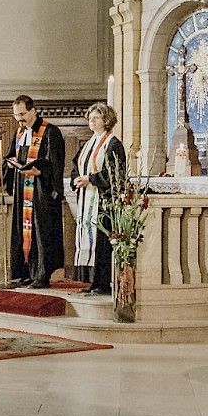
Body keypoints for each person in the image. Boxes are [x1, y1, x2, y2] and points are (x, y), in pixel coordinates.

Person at [2, 96, 65, 289]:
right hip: (23, 190)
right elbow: (11, 155)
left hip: (41, 192)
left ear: (33, 110)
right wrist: (11, 163)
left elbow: (55, 164)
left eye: (22, 114)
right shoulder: (20, 132)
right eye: (16, 115)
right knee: (23, 231)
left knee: (41, 231)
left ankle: (41, 275)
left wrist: (39, 172)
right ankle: (24, 273)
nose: (19, 119)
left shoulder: (49, 131)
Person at [70, 103, 125, 295]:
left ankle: (103, 282)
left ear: (106, 120)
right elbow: (77, 164)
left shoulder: (113, 144)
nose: (91, 121)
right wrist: (76, 178)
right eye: (90, 118)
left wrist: (91, 179)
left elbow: (115, 173)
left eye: (96, 118)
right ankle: (92, 280)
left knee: (101, 241)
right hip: (87, 198)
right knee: (87, 237)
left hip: (103, 201)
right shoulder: (89, 144)